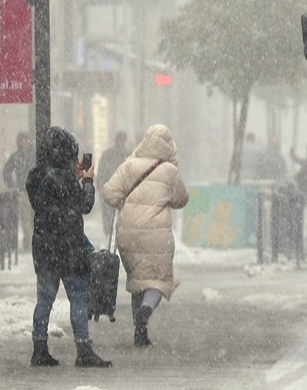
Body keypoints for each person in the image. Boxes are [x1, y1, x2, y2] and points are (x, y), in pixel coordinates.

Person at [27, 126, 110, 368]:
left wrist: (73, 179)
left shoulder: (36, 176)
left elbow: (54, 200)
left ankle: (39, 348)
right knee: (78, 297)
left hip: (43, 247)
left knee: (44, 300)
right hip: (68, 248)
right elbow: (84, 205)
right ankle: (84, 349)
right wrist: (86, 181)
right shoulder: (63, 179)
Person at [102, 124, 189, 347]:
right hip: (156, 233)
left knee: (138, 280)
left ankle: (140, 333)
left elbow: (109, 193)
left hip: (128, 232)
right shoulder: (169, 171)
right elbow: (182, 199)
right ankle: (146, 310)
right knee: (158, 281)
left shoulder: (128, 165)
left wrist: (127, 204)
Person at [3, 132, 35, 250]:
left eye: (25, 140)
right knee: (25, 218)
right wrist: (12, 185)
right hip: (23, 191)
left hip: (34, 191)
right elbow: (6, 171)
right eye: (21, 141)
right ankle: (28, 240)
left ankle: (32, 240)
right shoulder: (16, 156)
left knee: (33, 217)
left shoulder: (34, 156)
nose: (24, 143)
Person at [97, 131, 130, 245]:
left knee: (108, 215)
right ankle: (117, 236)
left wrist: (101, 187)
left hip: (110, 188)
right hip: (122, 190)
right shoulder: (128, 155)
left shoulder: (107, 154)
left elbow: (101, 172)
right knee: (122, 216)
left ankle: (109, 235)